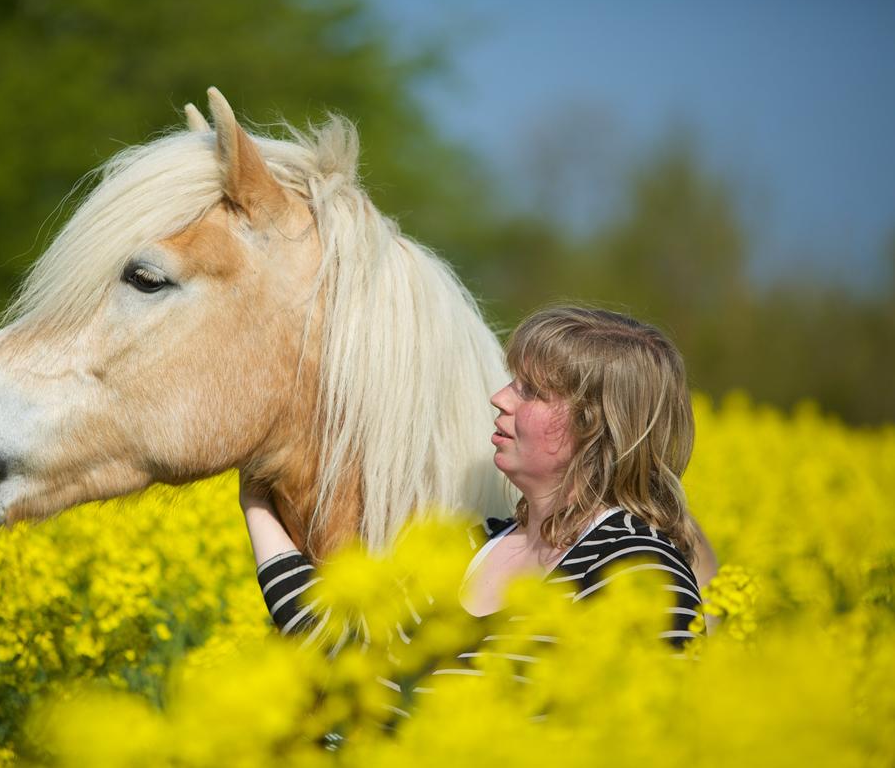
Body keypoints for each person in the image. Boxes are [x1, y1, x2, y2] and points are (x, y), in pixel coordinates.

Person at [240, 306, 713, 720]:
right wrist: (256, 502)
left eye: (530, 391)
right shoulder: (467, 548)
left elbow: (656, 735)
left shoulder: (639, 570)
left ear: (593, 424)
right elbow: (347, 660)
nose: (501, 398)